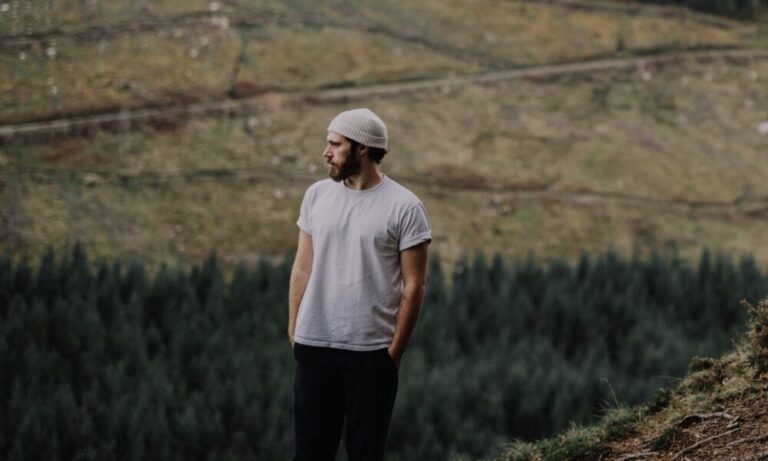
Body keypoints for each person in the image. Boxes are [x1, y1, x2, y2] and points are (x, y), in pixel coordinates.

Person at [288, 108, 432, 461]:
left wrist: (394, 352)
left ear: (363, 149)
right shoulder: (317, 195)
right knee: (309, 454)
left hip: (371, 354)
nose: (326, 152)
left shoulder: (405, 207)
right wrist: (294, 331)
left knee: (366, 454)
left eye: (336, 144)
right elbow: (302, 268)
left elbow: (414, 285)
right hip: (314, 346)